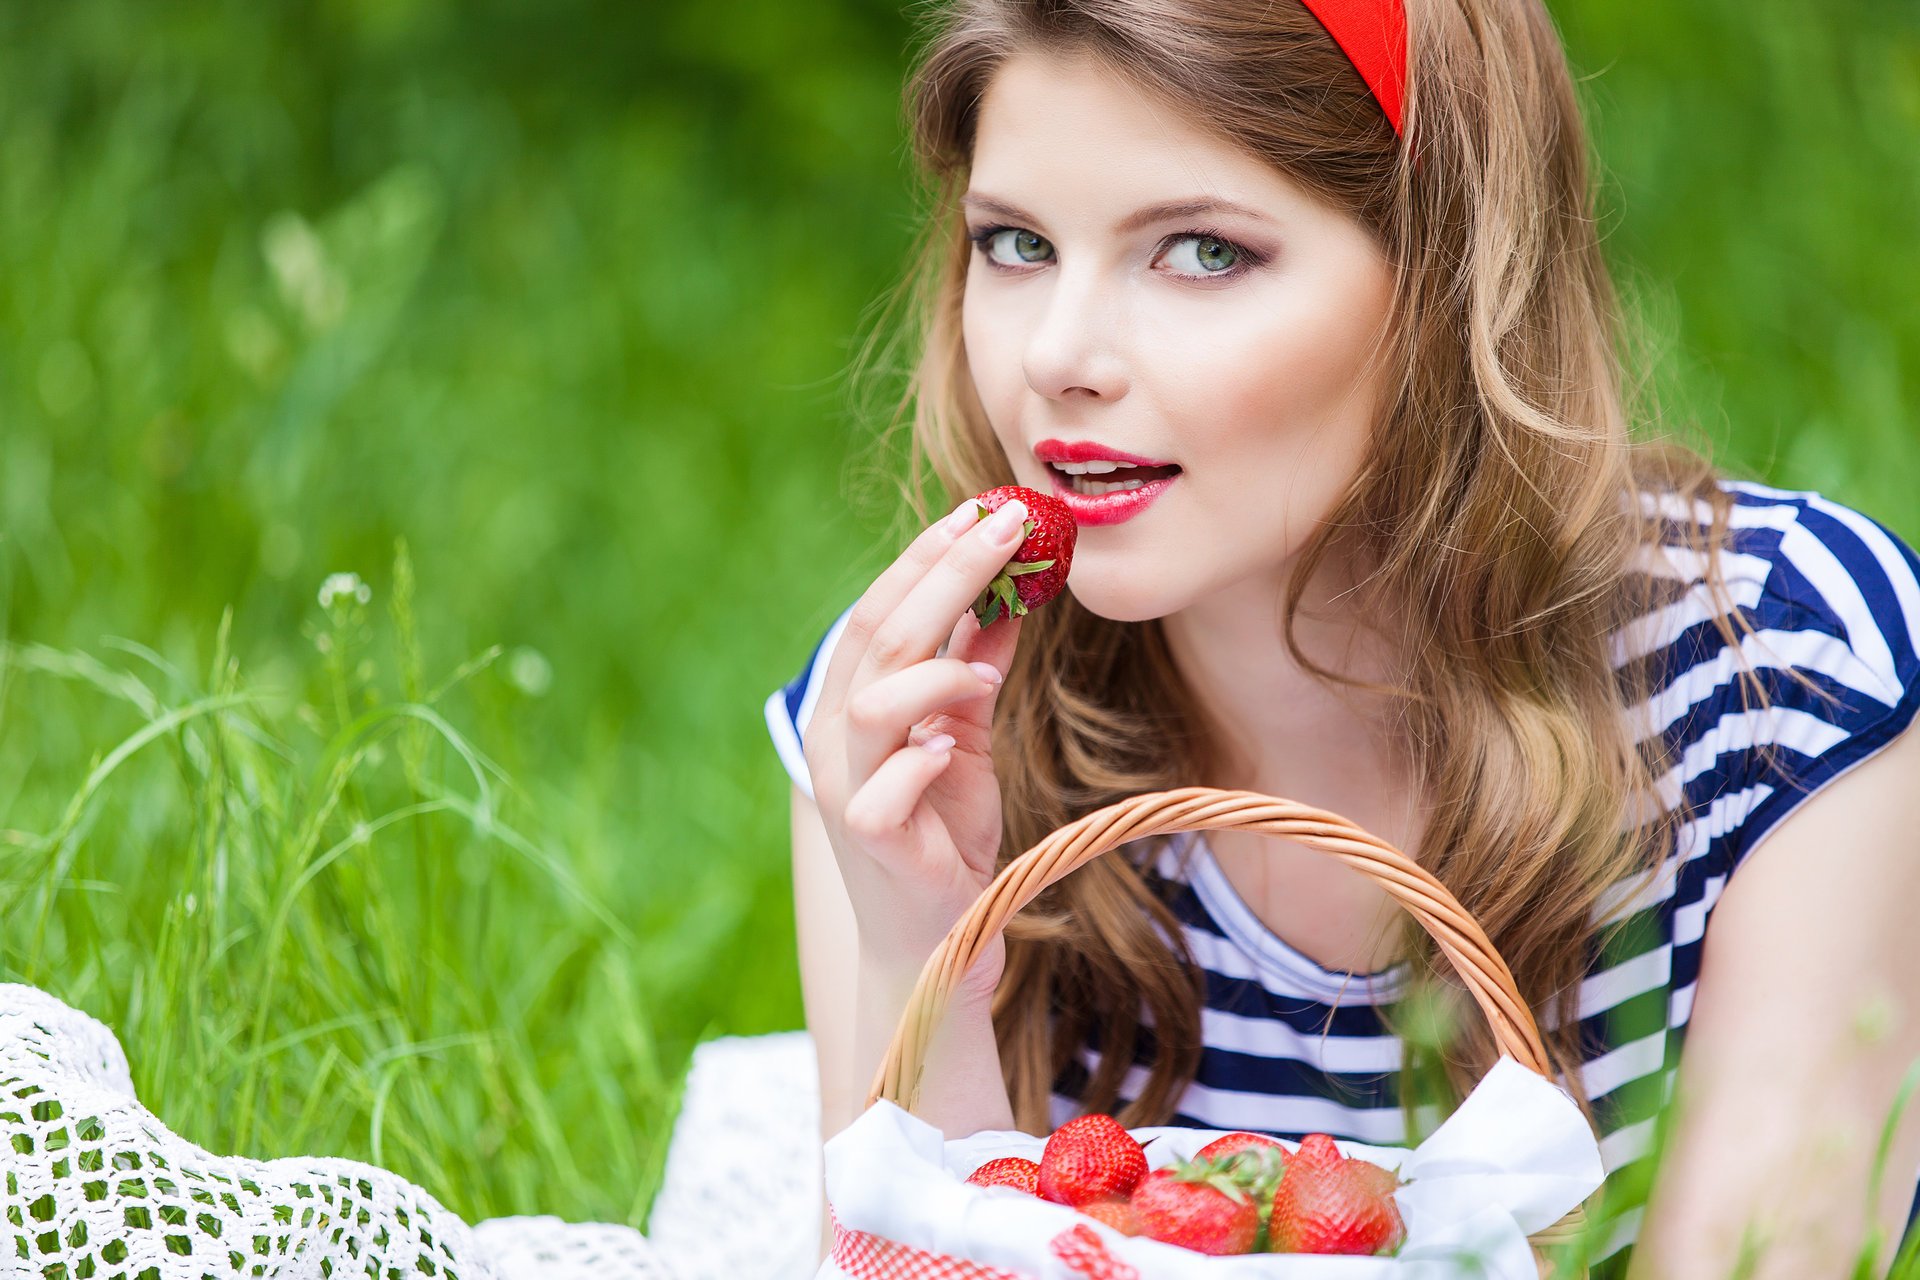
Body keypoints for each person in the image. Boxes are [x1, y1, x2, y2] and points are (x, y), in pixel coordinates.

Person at [761, 1, 1920, 1275]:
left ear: (1447, 276)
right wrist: (926, 953)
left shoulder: (1784, 676)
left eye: (1202, 251)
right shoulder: (905, 729)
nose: (1058, 355)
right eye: (1017, 242)